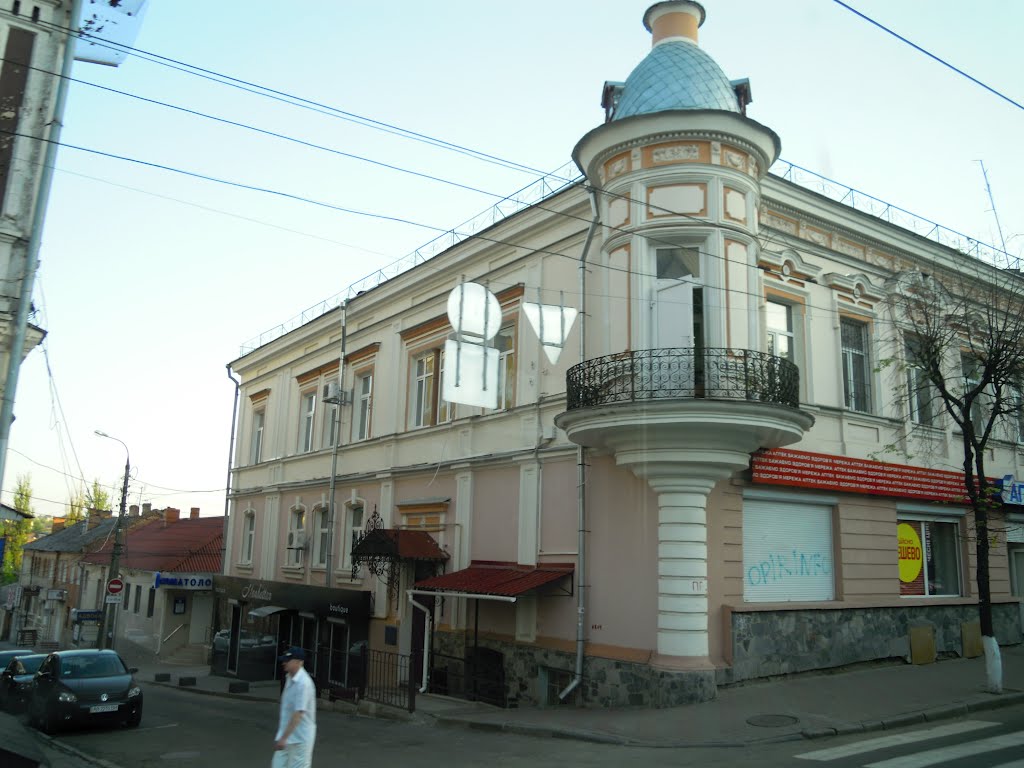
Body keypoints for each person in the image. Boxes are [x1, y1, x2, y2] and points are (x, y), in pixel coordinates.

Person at [272, 646, 316, 768]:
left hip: (300, 739)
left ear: (299, 662)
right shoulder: (289, 677)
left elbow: (298, 714)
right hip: (287, 736)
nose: (284, 662)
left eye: (288, 660)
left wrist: (283, 738)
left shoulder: (304, 684)